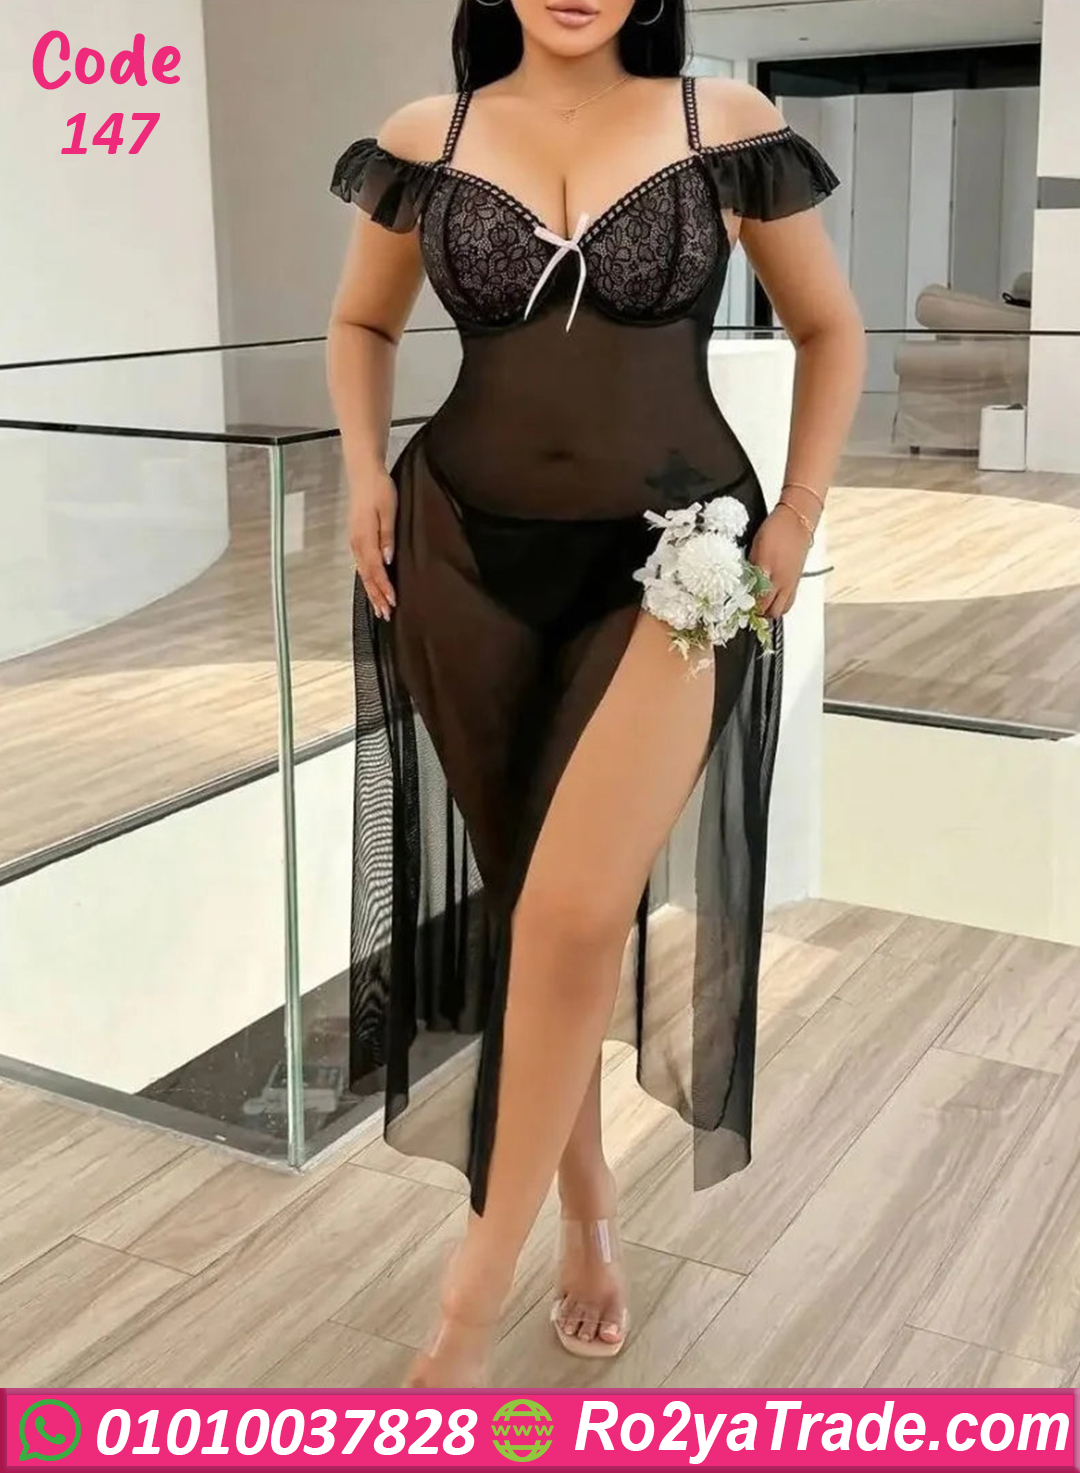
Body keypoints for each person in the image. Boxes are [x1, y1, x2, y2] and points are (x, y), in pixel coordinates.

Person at [327, 0, 864, 1387]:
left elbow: (830, 328)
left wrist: (798, 513)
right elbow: (362, 317)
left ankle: (463, 1311)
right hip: (457, 554)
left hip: (679, 562)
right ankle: (584, 1209)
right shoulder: (425, 137)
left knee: (571, 911)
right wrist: (362, 467)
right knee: (535, 916)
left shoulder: (723, 125)